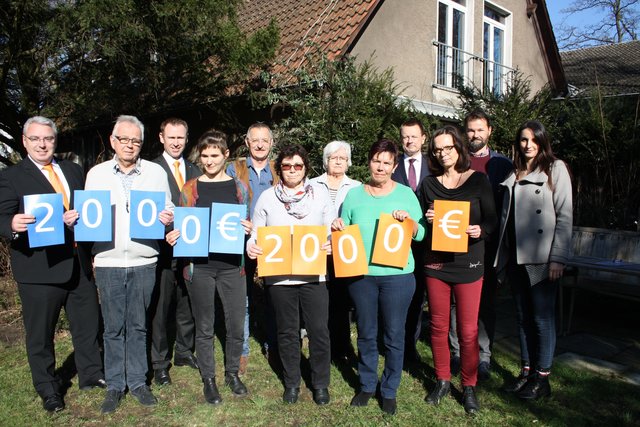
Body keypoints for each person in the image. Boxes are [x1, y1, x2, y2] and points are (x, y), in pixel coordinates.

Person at [0, 116, 104, 413]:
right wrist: (12, 224)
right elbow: (1, 218)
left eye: (48, 139)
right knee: (40, 335)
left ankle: (91, 374)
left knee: (87, 325)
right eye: (35, 139)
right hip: (39, 269)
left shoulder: (72, 170)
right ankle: (48, 389)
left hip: (78, 264)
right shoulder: (11, 176)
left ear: (55, 140)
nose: (42, 144)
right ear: (24, 141)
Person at [85, 115, 174, 414]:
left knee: (138, 325)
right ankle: (114, 385)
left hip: (144, 260)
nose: (130, 145)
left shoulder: (155, 173)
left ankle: (137, 382)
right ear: (113, 141)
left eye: (135, 140)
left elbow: (168, 207)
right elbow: (90, 214)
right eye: (124, 139)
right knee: (112, 328)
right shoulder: (95, 174)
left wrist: (168, 217)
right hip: (109, 261)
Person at [333, 139, 426, 416]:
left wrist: (408, 221)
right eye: (376, 160)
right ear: (369, 162)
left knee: (395, 334)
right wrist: (338, 226)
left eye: (387, 162)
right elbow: (344, 230)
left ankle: (389, 389)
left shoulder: (407, 195)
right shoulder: (353, 195)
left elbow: (421, 234)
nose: (381, 167)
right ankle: (366, 384)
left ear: (394, 166)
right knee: (366, 333)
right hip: (362, 276)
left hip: (397, 277)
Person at [166, 130, 251, 405]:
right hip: (199, 268)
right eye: (205, 156)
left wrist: (249, 229)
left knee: (236, 324)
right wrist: (173, 234)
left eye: (215, 155)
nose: (209, 161)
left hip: (231, 267)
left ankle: (231, 373)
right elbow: (181, 225)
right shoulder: (191, 188)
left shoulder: (239, 188)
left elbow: (247, 222)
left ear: (226, 155)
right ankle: (209, 379)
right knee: (204, 326)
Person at [418, 125, 497, 415]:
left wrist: (480, 230)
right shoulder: (428, 185)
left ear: (459, 148)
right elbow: (420, 227)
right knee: (438, 326)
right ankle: (441, 380)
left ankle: (469, 386)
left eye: (447, 148)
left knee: (467, 330)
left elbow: (492, 220)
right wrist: (427, 218)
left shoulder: (478, 181)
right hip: (437, 264)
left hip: (469, 264)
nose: (442, 153)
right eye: (438, 149)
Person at [246, 144, 334, 406]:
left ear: (305, 168)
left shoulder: (320, 196)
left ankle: (320, 384)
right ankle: (292, 382)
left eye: (298, 165)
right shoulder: (267, 198)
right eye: (287, 165)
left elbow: (331, 231)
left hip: (314, 276)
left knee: (318, 331)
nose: (292, 170)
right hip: (280, 277)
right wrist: (252, 246)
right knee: (286, 332)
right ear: (279, 169)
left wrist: (331, 243)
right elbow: (255, 234)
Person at [495, 120, 572, 400]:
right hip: (515, 257)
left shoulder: (555, 169)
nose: (528, 145)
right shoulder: (514, 173)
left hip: (541, 259)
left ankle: (543, 378)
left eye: (533, 140)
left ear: (542, 141)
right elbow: (505, 221)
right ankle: (526, 373)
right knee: (521, 317)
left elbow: (565, 216)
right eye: (523, 140)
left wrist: (558, 258)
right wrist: (501, 260)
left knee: (541, 318)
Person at [448, 110, 513, 380]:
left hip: (488, 245)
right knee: (455, 300)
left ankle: (484, 355)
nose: (475, 135)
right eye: (471, 130)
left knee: (486, 302)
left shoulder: (502, 165)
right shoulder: (457, 161)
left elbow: (506, 210)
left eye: (480, 130)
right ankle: (456, 352)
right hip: (455, 241)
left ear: (490, 131)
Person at [151, 118, 201, 387]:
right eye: (171, 137)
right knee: (162, 307)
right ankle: (159, 362)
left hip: (190, 248)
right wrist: (164, 231)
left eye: (180, 137)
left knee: (187, 303)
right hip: (163, 249)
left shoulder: (195, 169)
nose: (176, 142)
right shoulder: (150, 169)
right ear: (161, 137)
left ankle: (184, 351)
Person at [226, 122, 279, 373]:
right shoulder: (234, 168)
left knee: (274, 295)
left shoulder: (280, 170)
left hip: (273, 242)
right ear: (247, 142)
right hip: (240, 240)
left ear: (271, 144)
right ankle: (242, 350)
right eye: (254, 140)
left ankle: (272, 344)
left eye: (264, 140)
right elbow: (224, 200)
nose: (259, 144)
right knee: (242, 297)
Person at [310, 140, 360, 362]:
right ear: (326, 161)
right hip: (317, 248)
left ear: (348, 162)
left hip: (344, 250)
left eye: (342, 158)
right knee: (320, 299)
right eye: (333, 158)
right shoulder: (311, 184)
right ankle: (322, 344)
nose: (338, 162)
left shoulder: (357, 187)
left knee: (342, 299)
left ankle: (343, 345)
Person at [391, 119, 430, 364]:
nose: (409, 141)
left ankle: (411, 347)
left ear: (423, 138)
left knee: (419, 296)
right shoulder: (392, 167)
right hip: (398, 243)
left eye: (414, 136)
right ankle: (394, 343)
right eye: (405, 136)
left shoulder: (434, 167)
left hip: (426, 241)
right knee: (397, 296)